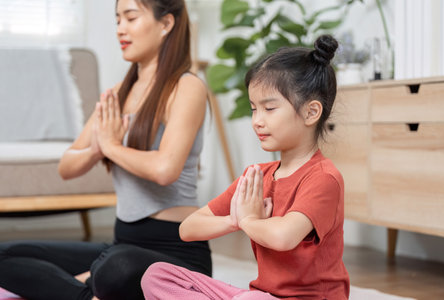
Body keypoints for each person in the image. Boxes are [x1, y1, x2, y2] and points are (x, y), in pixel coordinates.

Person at [0, 0, 211, 299]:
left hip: (176, 252)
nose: (120, 29)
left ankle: (89, 283)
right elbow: (67, 166)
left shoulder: (186, 87)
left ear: (166, 24)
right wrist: (96, 150)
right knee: (5, 255)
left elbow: (165, 169)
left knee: (115, 268)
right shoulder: (116, 96)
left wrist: (111, 146)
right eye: (117, 20)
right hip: (121, 243)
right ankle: (89, 294)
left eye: (131, 18)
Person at [140, 34, 350, 300]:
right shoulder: (258, 177)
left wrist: (249, 219)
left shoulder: (324, 178)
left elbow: (283, 237)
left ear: (311, 112)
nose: (257, 121)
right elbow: (188, 228)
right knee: (158, 275)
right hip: (260, 296)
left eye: (269, 108)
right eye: (253, 109)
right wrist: (234, 220)